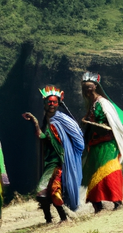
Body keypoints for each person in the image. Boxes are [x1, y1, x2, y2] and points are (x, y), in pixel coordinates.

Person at [23, 87, 84, 223]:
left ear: (58, 103)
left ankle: (63, 218)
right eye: (49, 102)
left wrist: (68, 153)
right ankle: (49, 220)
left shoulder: (62, 120)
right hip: (50, 161)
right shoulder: (48, 120)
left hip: (60, 162)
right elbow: (43, 137)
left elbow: (78, 139)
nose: (51, 104)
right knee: (43, 193)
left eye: (54, 102)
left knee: (51, 190)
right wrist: (34, 121)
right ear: (44, 104)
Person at [80, 71, 123, 213]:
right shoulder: (92, 104)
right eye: (84, 87)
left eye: (89, 87)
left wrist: (91, 123)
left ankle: (117, 202)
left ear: (95, 86)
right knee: (93, 174)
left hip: (107, 145)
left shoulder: (104, 104)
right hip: (95, 145)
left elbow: (111, 126)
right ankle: (97, 205)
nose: (86, 90)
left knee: (109, 172)